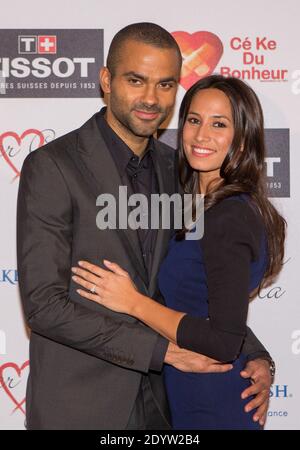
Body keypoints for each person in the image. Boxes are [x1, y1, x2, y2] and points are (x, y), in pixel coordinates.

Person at [17, 23, 273, 430]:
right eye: (136, 81)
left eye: (166, 84)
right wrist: (163, 352)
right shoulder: (54, 167)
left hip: (164, 407)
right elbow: (45, 307)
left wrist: (255, 355)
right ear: (106, 80)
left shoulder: (180, 171)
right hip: (80, 407)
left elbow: (195, 286)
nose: (151, 99)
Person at [71, 75, 286, 430]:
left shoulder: (229, 215)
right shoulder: (194, 206)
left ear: (243, 138)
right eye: (194, 120)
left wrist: (132, 301)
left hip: (212, 403)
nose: (201, 135)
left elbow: (223, 340)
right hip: (185, 395)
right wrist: (262, 358)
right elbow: (207, 305)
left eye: (219, 124)